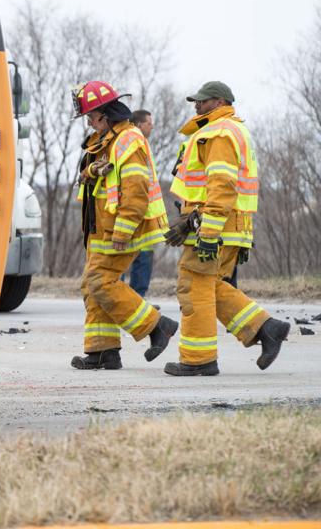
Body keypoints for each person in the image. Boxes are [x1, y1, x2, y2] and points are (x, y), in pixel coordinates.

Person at [163, 82, 290, 376]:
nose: (196, 105)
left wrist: (207, 232)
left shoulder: (218, 133)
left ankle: (199, 361)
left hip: (216, 227)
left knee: (194, 286)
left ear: (219, 102)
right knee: (210, 286)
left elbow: (221, 185)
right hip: (228, 225)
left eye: (202, 101)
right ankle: (266, 328)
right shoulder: (232, 130)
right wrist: (190, 222)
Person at [70, 81, 177, 370]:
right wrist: (91, 170)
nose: (90, 125)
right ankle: (103, 351)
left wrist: (124, 229)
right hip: (100, 230)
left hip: (119, 230)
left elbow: (136, 188)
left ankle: (157, 326)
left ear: (105, 114)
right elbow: (96, 175)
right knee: (91, 286)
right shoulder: (106, 140)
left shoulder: (129, 139)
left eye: (91, 118)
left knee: (100, 282)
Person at [124, 109, 156, 298]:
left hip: (145, 211)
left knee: (144, 256)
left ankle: (138, 298)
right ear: (138, 125)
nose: (152, 126)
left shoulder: (144, 145)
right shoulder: (133, 145)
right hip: (133, 210)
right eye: (149, 123)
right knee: (120, 255)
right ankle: (121, 298)